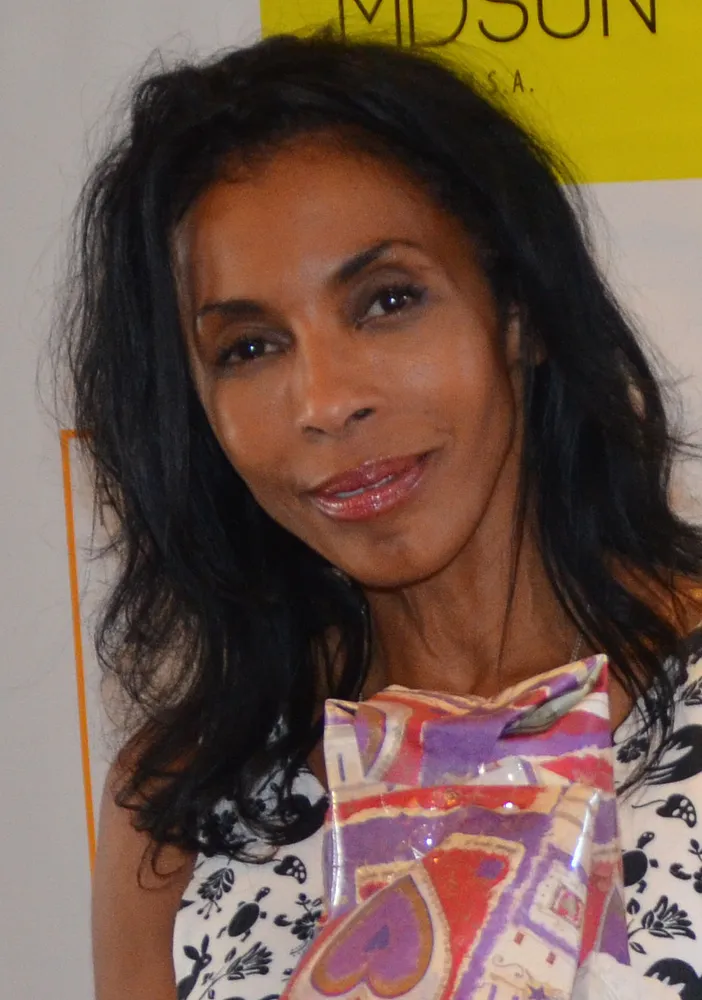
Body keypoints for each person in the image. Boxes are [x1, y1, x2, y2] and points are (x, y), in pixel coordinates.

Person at [60, 31, 702, 1000]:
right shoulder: (183, 805)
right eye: (249, 347)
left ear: (518, 309)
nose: (324, 401)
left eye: (387, 300)